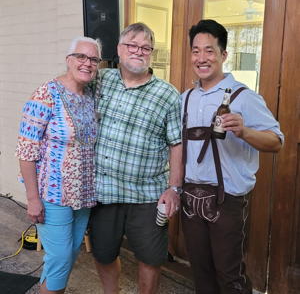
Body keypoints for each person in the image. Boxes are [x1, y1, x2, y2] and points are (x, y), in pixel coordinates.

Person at [181, 19, 284, 294]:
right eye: (195, 50)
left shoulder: (243, 97)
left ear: (223, 55)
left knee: (230, 277)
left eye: (209, 50)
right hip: (190, 198)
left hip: (227, 201)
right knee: (200, 274)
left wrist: (244, 131)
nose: (202, 58)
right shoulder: (186, 98)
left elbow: (276, 142)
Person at [89, 22, 182, 294]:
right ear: (118, 49)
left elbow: (177, 144)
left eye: (145, 47)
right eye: (132, 45)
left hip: (147, 195)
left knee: (151, 258)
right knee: (103, 254)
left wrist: (174, 188)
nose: (138, 51)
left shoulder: (167, 94)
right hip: (104, 191)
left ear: (151, 53)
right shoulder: (100, 80)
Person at [15, 36, 101, 294]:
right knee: (60, 260)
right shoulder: (46, 93)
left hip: (83, 195)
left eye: (94, 59)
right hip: (53, 195)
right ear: (68, 60)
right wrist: (32, 199)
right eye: (81, 57)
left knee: (65, 260)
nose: (87, 63)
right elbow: (25, 150)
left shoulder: (90, 96)